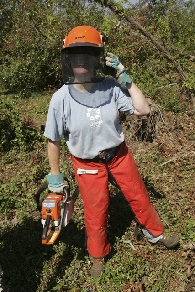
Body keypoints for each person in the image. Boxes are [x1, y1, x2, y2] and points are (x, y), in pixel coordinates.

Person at [44, 25, 179, 278]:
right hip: (87, 163)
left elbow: (143, 110)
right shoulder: (60, 98)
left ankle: (155, 233)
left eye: (88, 54)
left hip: (118, 155)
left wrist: (125, 77)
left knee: (138, 194)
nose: (82, 61)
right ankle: (97, 255)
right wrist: (55, 180)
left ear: (97, 59)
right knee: (96, 210)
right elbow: (53, 140)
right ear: (69, 60)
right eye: (76, 55)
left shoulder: (110, 86)